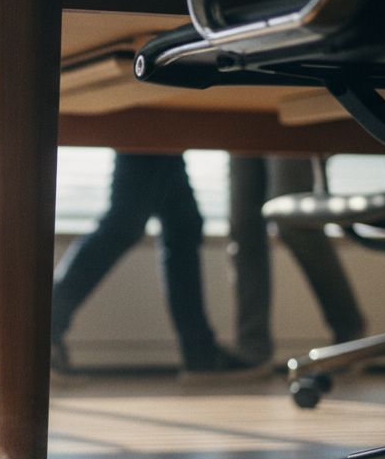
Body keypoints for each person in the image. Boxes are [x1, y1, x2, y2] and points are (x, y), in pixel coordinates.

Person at [51, 152, 263, 379]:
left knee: (181, 224)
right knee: (126, 221)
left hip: (163, 131)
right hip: (147, 122)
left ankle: (201, 353)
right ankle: (42, 328)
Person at [227, 155, 366, 367]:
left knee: (293, 221)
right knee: (243, 229)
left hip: (286, 124)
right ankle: (252, 348)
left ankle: (349, 330)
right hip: (238, 124)